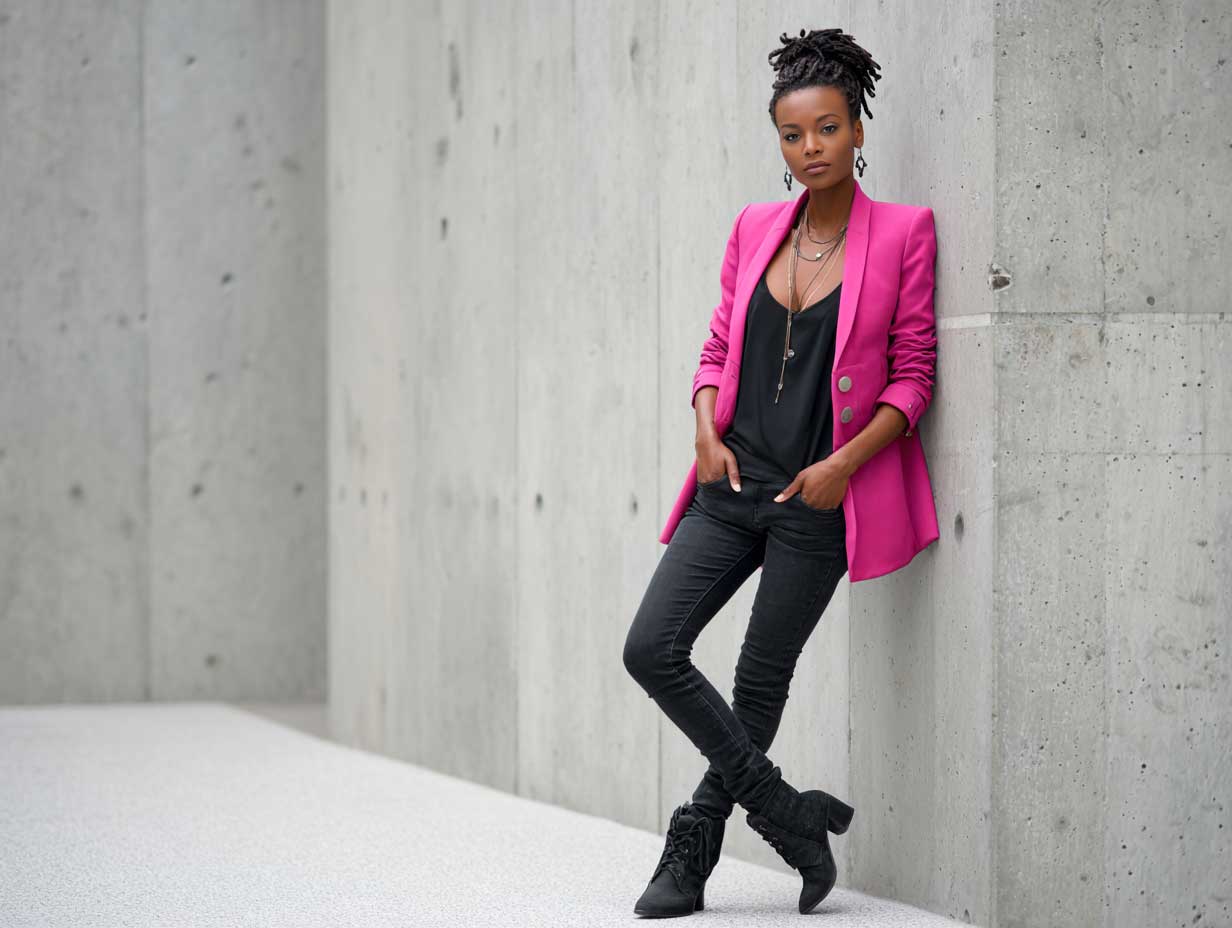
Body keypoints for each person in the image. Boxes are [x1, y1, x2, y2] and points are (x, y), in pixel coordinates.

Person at [623, 27, 940, 917]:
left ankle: (693, 849)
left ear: (858, 129)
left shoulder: (905, 234)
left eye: (829, 129)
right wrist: (701, 428)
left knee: (759, 685)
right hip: (730, 484)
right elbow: (719, 343)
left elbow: (915, 373)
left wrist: (843, 465)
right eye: (794, 135)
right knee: (651, 647)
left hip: (818, 497)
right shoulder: (756, 228)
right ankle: (791, 820)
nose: (811, 150)